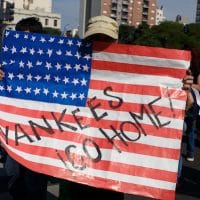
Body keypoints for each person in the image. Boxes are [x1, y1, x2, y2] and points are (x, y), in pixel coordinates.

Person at [58, 15, 194, 200]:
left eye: (106, 39)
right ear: (86, 39)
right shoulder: (70, 69)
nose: (101, 44)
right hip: (74, 168)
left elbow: (171, 109)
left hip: (110, 173)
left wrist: (181, 91)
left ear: (117, 41)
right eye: (95, 39)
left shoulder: (132, 72)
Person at [0, 17, 48, 200]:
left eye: (31, 38)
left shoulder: (51, 65)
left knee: (35, 186)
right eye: (22, 38)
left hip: (42, 137)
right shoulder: (8, 63)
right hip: (16, 136)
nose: (26, 44)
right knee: (17, 186)